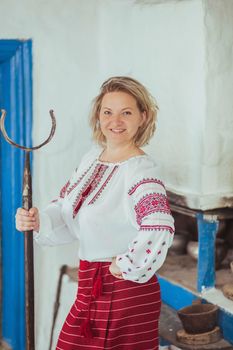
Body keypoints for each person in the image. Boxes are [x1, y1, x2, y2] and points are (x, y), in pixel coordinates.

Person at [16, 76, 175, 350]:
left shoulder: (140, 171)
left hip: (123, 291)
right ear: (98, 116)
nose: (115, 121)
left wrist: (124, 264)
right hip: (91, 285)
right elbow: (66, 208)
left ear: (143, 117)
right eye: (107, 112)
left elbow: (159, 226)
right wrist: (39, 219)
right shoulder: (91, 159)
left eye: (126, 112)